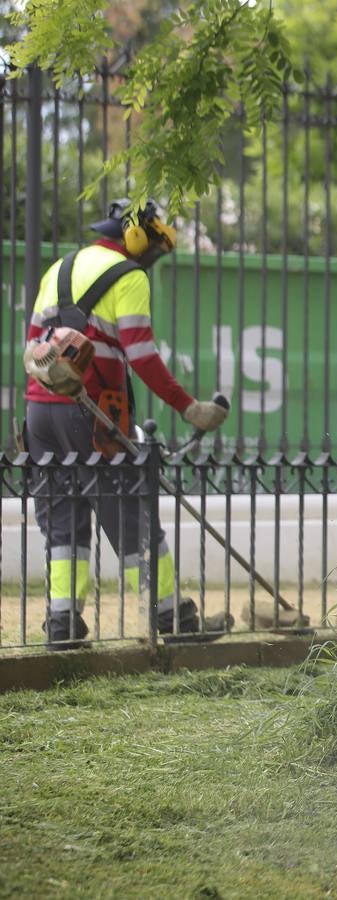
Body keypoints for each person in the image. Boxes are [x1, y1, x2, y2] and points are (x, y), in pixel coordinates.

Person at [22, 198, 230, 649]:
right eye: (154, 245)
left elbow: (33, 344)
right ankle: (172, 617)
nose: (153, 256)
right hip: (93, 411)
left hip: (39, 409)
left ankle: (62, 626)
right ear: (136, 237)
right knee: (130, 514)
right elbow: (142, 355)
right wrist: (187, 406)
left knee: (63, 521)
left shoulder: (58, 269)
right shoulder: (128, 275)